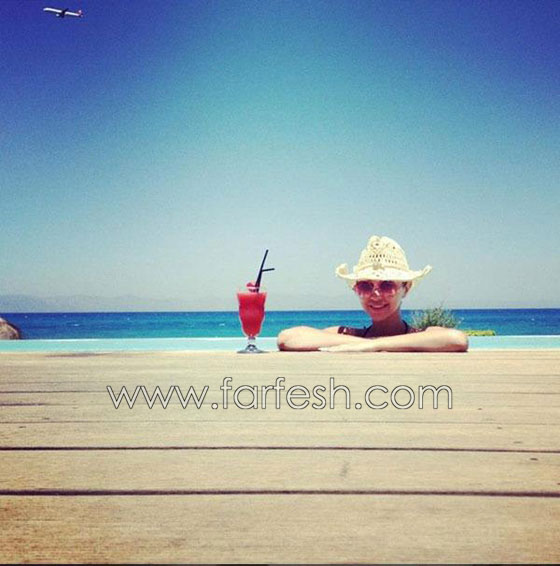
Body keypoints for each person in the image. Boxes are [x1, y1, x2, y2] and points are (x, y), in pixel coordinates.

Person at [277, 235, 468, 353]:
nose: (375, 294)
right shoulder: (350, 335)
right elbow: (288, 338)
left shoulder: (424, 334)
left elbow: (457, 339)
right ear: (356, 289)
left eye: (387, 285)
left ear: (406, 288)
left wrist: (373, 345)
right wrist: (363, 343)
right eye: (365, 286)